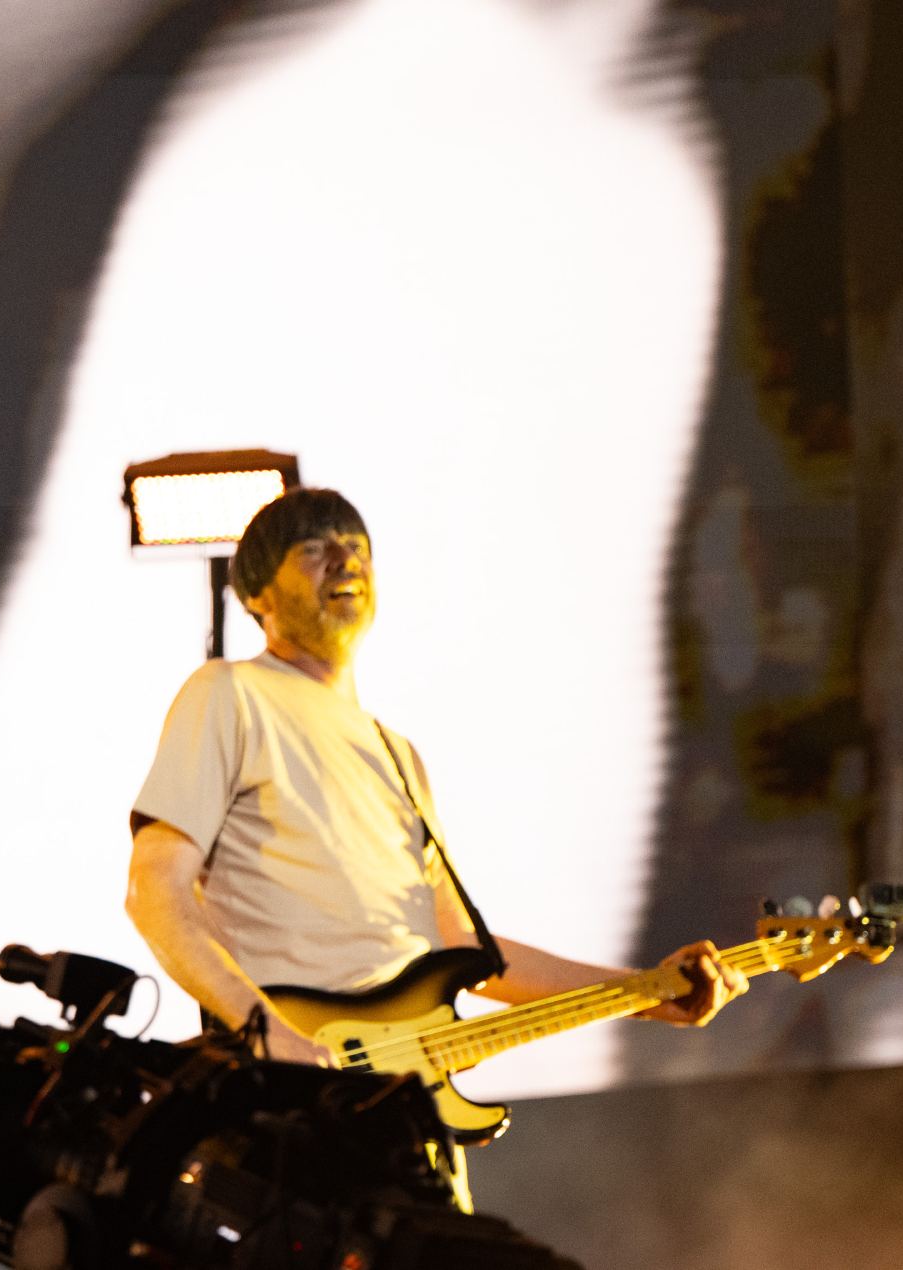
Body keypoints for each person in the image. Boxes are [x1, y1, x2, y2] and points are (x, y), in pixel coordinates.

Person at [124, 488, 745, 1195]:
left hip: (409, 1125)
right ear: (256, 595)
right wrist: (269, 1034)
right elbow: (156, 894)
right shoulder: (229, 694)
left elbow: (470, 957)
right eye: (313, 547)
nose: (344, 557)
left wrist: (647, 993)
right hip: (292, 1119)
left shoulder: (398, 755)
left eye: (356, 545)